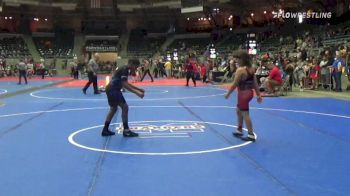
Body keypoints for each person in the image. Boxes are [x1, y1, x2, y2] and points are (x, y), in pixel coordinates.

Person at [101, 59, 145, 137]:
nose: (135, 69)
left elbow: (125, 83)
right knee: (125, 107)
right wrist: (137, 93)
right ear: (131, 64)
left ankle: (105, 129)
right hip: (114, 90)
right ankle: (126, 130)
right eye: (135, 67)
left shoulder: (124, 68)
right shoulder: (125, 69)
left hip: (111, 89)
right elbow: (124, 85)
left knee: (113, 109)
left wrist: (138, 89)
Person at [225, 51, 262, 141]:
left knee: (245, 113)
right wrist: (258, 94)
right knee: (238, 110)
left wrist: (228, 93)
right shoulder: (251, 68)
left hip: (243, 94)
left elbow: (235, 84)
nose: (236, 60)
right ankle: (239, 129)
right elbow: (255, 83)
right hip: (249, 93)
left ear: (242, 59)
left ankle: (250, 134)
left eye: (237, 59)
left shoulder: (240, 70)